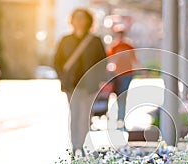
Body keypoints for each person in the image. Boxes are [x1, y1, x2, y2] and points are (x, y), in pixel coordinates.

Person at [54, 8, 107, 156]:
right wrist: (62, 78)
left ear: (88, 21)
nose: (79, 21)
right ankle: (75, 145)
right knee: (75, 114)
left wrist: (98, 79)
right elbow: (57, 61)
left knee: (86, 116)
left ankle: (83, 144)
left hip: (89, 86)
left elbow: (102, 62)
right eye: (76, 18)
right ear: (72, 21)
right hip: (72, 85)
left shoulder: (95, 41)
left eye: (82, 18)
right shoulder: (65, 40)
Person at [107, 26, 137, 129]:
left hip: (127, 74)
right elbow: (110, 61)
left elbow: (134, 60)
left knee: (123, 97)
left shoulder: (128, 46)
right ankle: (115, 118)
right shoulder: (114, 47)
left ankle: (121, 119)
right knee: (115, 96)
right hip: (116, 75)